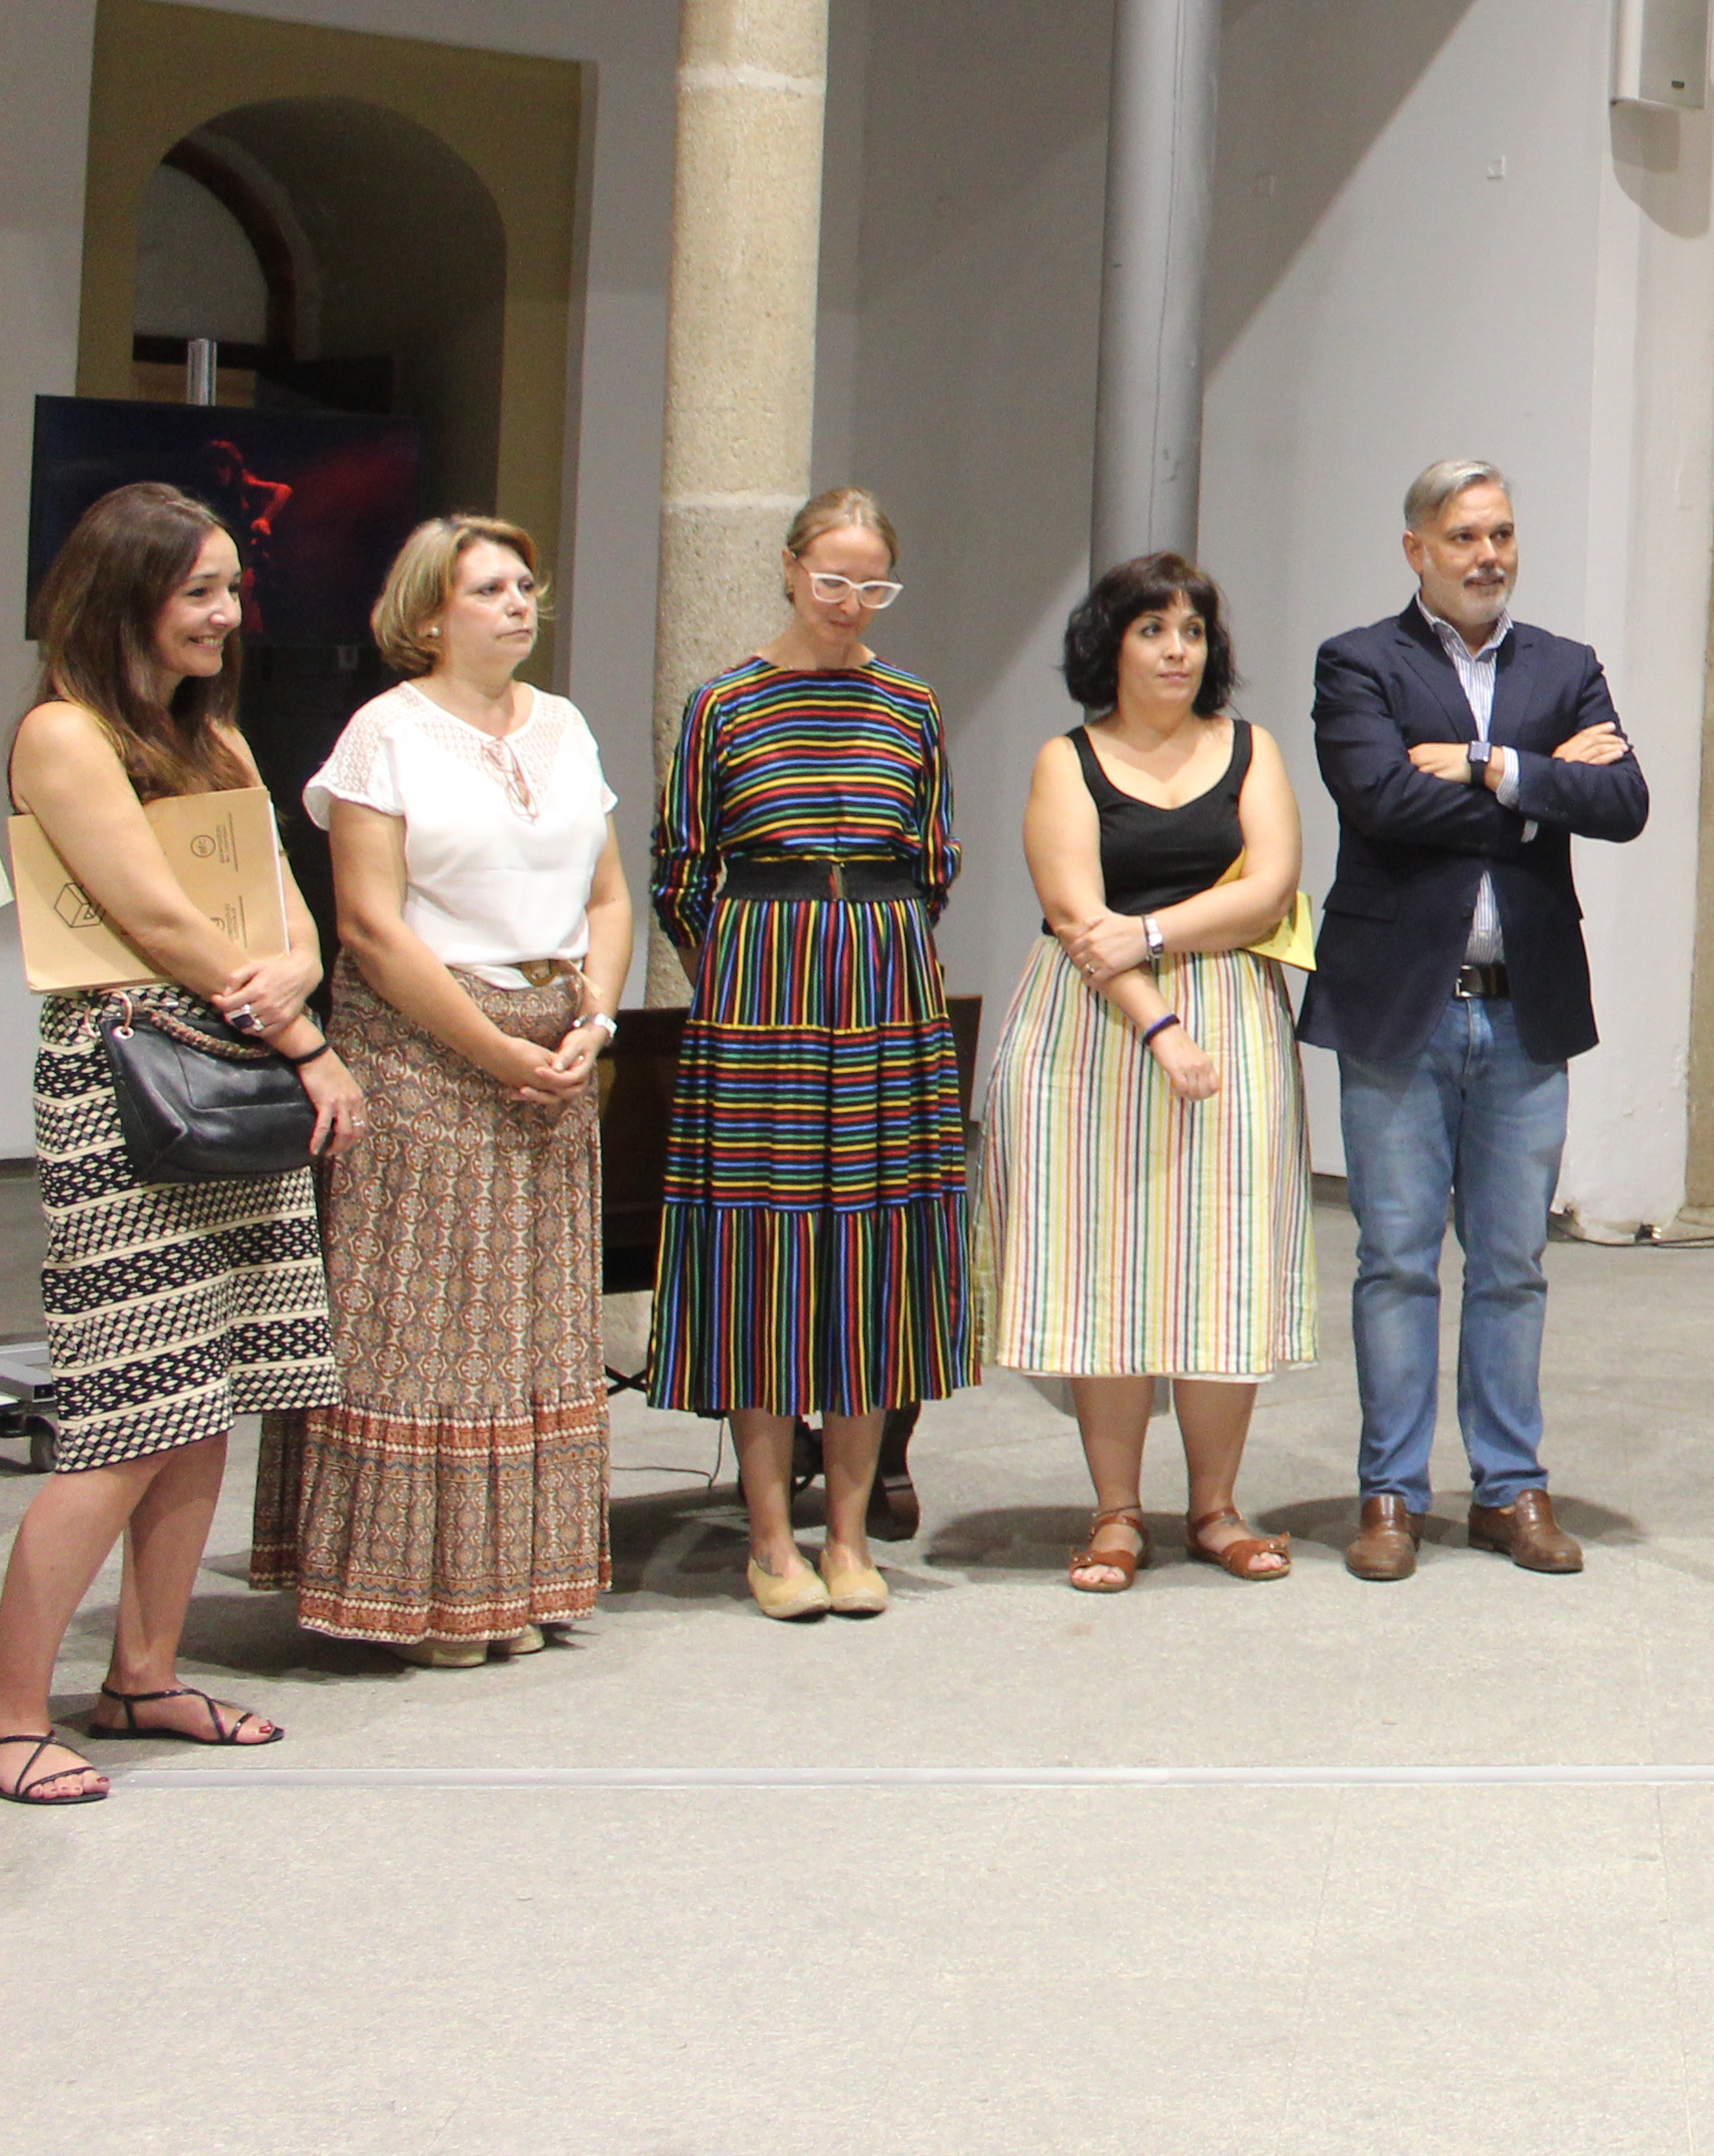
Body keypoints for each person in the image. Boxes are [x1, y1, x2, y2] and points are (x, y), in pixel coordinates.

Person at [2, 483, 357, 1802]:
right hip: (128, 1079)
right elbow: (151, 913)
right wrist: (297, 1030)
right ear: (127, 595)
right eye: (199, 589)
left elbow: (283, 904)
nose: (226, 612)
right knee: (124, 1413)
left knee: (203, 1405)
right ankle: (11, 1712)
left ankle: (143, 1676)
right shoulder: (62, 732)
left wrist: (293, 980)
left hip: (234, 1069)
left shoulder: (220, 742)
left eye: (230, 589)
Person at [259, 514, 630, 1667]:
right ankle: (412, 1594)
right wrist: (492, 1049)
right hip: (426, 1052)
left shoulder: (563, 725)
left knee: (531, 1326)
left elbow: (610, 897)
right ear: (429, 615)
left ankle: (514, 1579)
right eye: (490, 588)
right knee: (430, 1327)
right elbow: (368, 924)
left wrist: (594, 1024)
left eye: (527, 585)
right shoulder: (386, 733)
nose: (520, 603)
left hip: (551, 1048)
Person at [1300, 458, 1649, 1582]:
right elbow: (1381, 801)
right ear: (1417, 550)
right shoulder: (1360, 662)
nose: (1488, 555)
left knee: (1512, 1264)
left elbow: (1626, 804)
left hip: (1524, 1012)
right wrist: (1540, 793)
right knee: (1395, 1261)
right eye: (1463, 537)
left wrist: (1495, 764)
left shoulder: (1565, 665)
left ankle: (1509, 1489)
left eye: (1500, 533)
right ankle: (1392, 1495)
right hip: (1401, 1008)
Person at [647, 486, 969, 1623]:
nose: (848, 604)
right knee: (761, 1249)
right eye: (832, 580)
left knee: (872, 1250)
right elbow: (681, 869)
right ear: (790, 570)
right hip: (760, 994)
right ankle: (771, 1539)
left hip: (886, 989)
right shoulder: (724, 704)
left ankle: (848, 1534)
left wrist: (864, 946)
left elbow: (933, 863)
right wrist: (750, 969)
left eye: (872, 585)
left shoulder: (911, 705)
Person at [974, 555, 1318, 1593]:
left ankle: (1214, 1507)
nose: (1178, 651)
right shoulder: (1063, 761)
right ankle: (1116, 1512)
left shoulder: (1250, 750)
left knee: (1227, 1259)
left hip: (1233, 1014)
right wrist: (1159, 1024)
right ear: (1110, 646)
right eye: (1154, 631)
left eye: (1194, 633)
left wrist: (1157, 929)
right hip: (1095, 1028)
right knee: (1105, 1263)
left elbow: (1271, 887)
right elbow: (1082, 923)